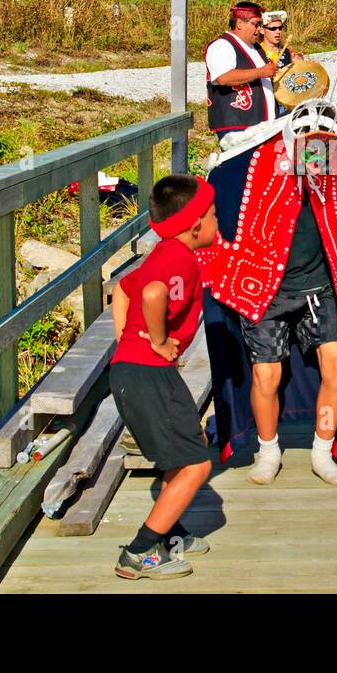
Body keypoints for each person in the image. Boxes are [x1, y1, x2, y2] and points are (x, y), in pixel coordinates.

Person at [198, 106, 337, 486]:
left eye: (327, 145)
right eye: (310, 145)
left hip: (321, 289)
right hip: (266, 291)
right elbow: (217, 188)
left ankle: (323, 450)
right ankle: (268, 450)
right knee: (266, 376)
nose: (318, 153)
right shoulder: (256, 167)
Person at [108, 174, 218, 580]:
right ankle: (138, 552)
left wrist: (125, 337)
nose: (217, 222)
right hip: (150, 372)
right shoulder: (182, 261)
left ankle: (171, 531)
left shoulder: (163, 251)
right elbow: (153, 295)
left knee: (191, 444)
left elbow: (124, 289)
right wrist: (155, 341)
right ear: (195, 226)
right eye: (213, 216)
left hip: (132, 371)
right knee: (196, 466)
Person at [205, 2, 278, 135]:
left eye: (260, 25)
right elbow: (223, 77)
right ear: (239, 23)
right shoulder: (222, 45)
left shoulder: (254, 47)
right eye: (255, 24)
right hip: (237, 126)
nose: (259, 29)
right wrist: (261, 72)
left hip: (259, 124)